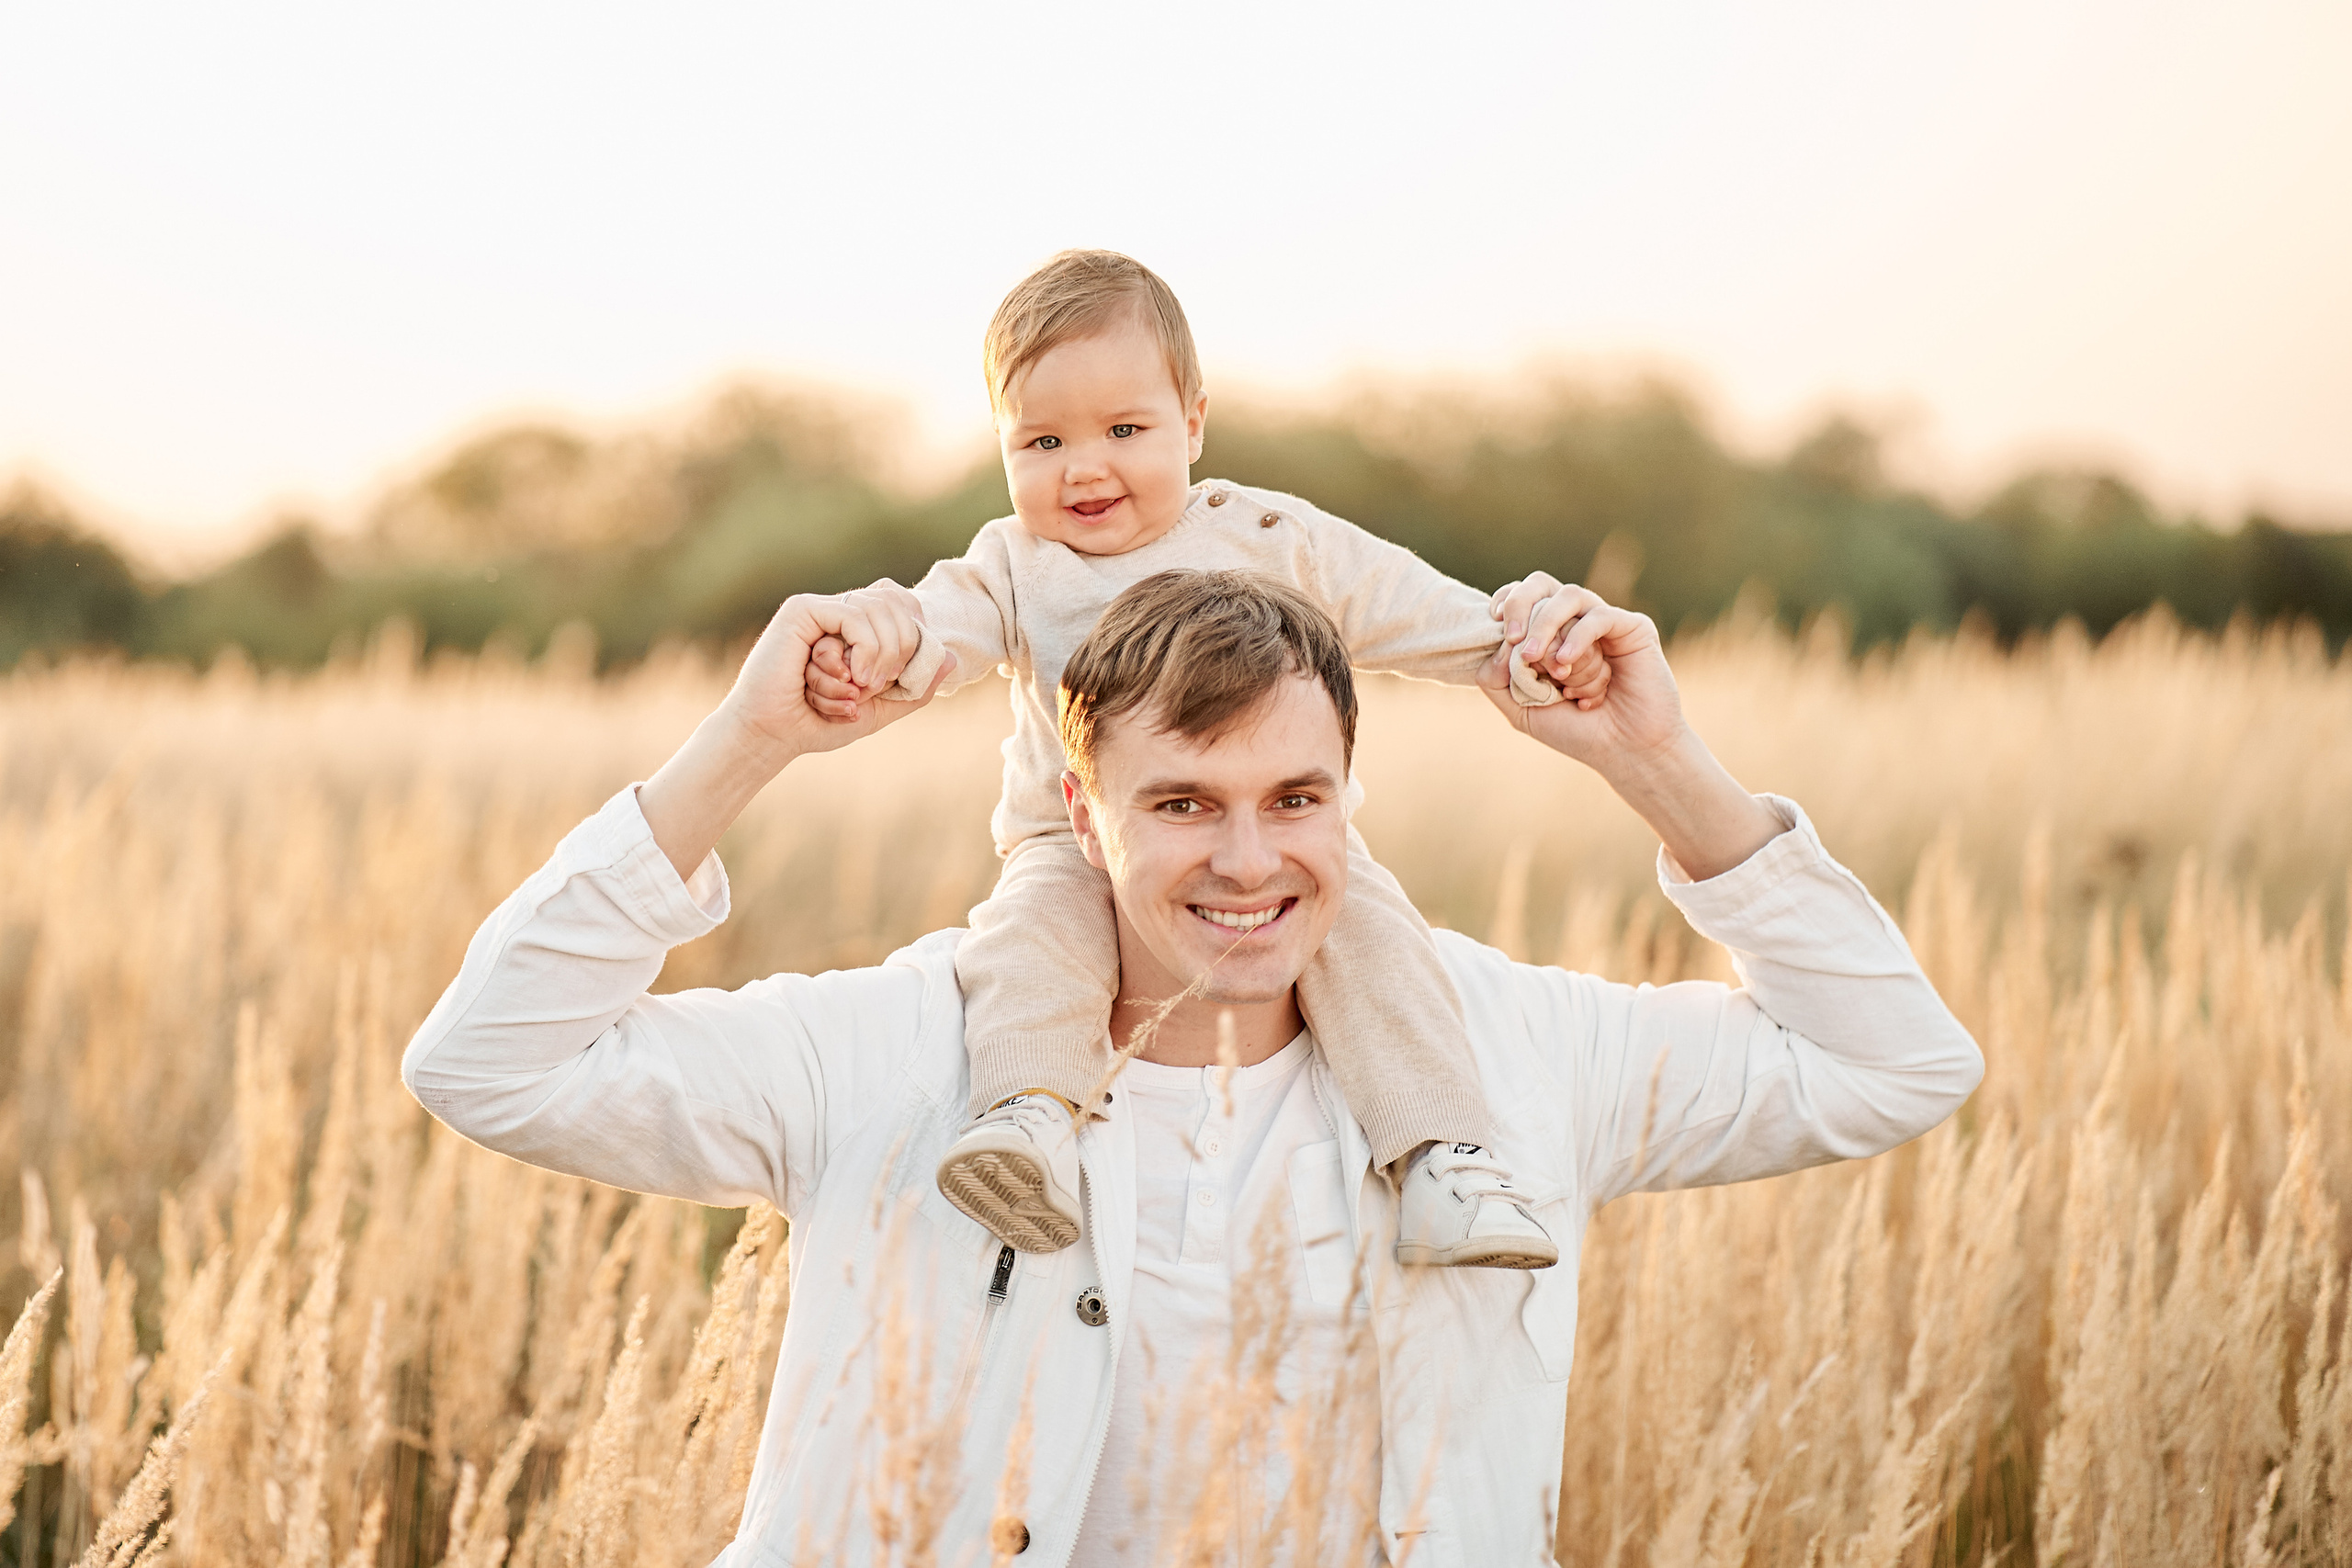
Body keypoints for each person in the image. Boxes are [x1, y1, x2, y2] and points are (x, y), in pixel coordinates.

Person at [402, 569, 1983, 1565]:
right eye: (1182, 803)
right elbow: (490, 1063)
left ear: (1351, 796)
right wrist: (745, 744)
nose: (1249, 859)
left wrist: (1658, 764)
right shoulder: (897, 1049)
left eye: (1298, 798)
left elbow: (1892, 1062)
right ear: (1082, 817)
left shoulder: (1507, 1056)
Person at [801, 248, 1607, 1269]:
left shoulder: (1266, 536)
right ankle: (1029, 1127)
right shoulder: (1015, 564)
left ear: (1192, 421)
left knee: (1378, 946)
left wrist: (1519, 649)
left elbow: (1402, 602)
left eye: (1124, 431)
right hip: (1071, 834)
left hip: (1269, 824)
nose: (1085, 467)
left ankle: (1440, 1159)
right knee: (1027, 945)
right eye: (1042, 441)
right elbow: (934, 626)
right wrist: (879, 641)